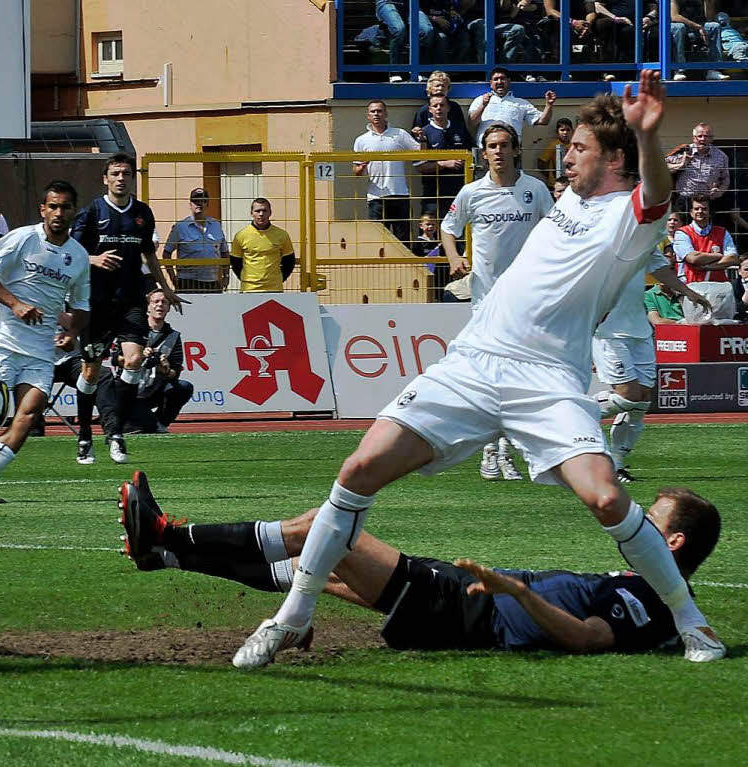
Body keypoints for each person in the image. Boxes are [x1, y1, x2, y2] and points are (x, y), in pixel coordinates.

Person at [230, 71, 725, 669]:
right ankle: (293, 616)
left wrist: (647, 135)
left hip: (546, 377)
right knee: (359, 468)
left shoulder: (629, 216)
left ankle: (692, 624)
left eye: (580, 149)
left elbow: (656, 194)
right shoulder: (566, 194)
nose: (565, 156)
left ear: (615, 159)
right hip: (473, 361)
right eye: (567, 148)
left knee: (604, 497)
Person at [120, 472, 721, 656]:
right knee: (318, 562)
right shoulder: (660, 596)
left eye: (652, 518)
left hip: (470, 612)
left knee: (331, 531)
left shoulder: (656, 606)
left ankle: (170, 531)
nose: (637, 519)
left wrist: (517, 591)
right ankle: (168, 555)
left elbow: (590, 639)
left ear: (672, 546)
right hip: (471, 600)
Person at [440, 123, 554, 482]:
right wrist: (453, 257)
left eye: (504, 145)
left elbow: (555, 232)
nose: (498, 151)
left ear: (515, 149)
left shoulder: (534, 190)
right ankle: (493, 451)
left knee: (520, 380)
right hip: (487, 302)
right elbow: (448, 228)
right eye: (492, 146)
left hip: (527, 301)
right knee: (493, 379)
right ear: (483, 152)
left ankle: (503, 450)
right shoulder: (472, 193)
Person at [0, 180, 90, 503]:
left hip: (40, 349)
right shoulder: (22, 238)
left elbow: (82, 306)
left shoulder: (78, 257)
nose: (58, 213)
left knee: (29, 414)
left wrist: (72, 334)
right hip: (3, 340)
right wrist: (14, 303)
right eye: (53, 206)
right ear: (43, 210)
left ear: (74, 211)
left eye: (65, 207)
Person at [70, 153, 184, 466]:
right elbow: (71, 250)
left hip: (131, 301)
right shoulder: (93, 212)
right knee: (91, 372)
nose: (121, 178)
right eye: (116, 173)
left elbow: (149, 254)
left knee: (134, 360)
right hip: (96, 303)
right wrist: (93, 260)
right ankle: (83, 435)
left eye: (126, 173)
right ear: (105, 179)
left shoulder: (143, 213)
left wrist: (165, 288)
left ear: (133, 178)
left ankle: (116, 431)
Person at [593, 248, 710, 481]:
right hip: (609, 331)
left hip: (639, 330)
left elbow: (660, 270)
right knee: (628, 396)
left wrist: (688, 292)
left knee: (642, 401)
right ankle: (573, 412)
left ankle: (616, 465)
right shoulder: (603, 239)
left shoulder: (646, 239)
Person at [120, 289, 194, 434]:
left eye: (164, 302)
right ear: (147, 307)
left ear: (168, 308)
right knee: (140, 429)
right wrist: (138, 356)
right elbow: (117, 359)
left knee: (184, 387)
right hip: (130, 389)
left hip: (155, 389)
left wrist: (166, 370)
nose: (160, 305)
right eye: (155, 302)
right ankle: (145, 422)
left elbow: (176, 371)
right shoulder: (132, 329)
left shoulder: (174, 336)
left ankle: (161, 422)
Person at [352, 100, 422, 245]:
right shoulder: (361, 140)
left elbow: (420, 153)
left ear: (386, 113)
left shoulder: (399, 134)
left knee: (403, 241)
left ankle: (403, 268)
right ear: (368, 116)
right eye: (373, 111)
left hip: (399, 194)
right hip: (375, 197)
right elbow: (356, 170)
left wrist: (422, 138)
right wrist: (361, 167)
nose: (376, 114)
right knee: (378, 242)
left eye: (379, 111)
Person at [415, 93, 474, 219]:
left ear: (448, 108)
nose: (438, 108)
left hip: (459, 190)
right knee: (433, 232)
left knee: (460, 232)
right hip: (433, 193)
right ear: (430, 110)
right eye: (435, 106)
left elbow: (473, 154)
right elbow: (420, 167)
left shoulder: (460, 129)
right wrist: (445, 163)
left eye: (442, 105)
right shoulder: (424, 133)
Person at [162, 187, 229, 294]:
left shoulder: (216, 225)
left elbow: (224, 252)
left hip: (212, 281)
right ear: (190, 204)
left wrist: (226, 276)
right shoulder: (180, 227)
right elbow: (166, 253)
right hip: (187, 281)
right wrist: (172, 277)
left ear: (207, 204)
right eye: (195, 201)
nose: (199, 204)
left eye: (203, 201)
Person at [467, 68, 556, 146]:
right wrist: (483, 105)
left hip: (511, 151)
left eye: (503, 79)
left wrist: (549, 105)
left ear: (509, 81)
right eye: (496, 79)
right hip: (485, 150)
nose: (499, 82)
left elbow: (543, 121)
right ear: (491, 83)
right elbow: (471, 122)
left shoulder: (521, 103)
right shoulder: (480, 100)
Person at [230, 198, 296, 293]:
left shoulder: (282, 235)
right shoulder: (241, 236)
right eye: (257, 211)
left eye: (264, 211)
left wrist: (279, 279)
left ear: (270, 212)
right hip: (249, 289)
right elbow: (235, 262)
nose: (261, 214)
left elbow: (289, 261)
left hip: (274, 288)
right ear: (251, 213)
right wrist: (246, 279)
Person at [665, 123, 730, 218]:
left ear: (712, 139)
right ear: (694, 138)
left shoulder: (721, 157)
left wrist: (719, 191)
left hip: (708, 202)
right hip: (685, 201)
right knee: (683, 230)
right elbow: (662, 168)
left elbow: (725, 180)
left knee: (707, 231)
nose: (702, 139)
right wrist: (681, 165)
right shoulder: (684, 152)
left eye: (706, 136)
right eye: (699, 136)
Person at [673, 195, 740, 283]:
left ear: (709, 212)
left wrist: (707, 267)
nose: (700, 211)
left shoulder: (722, 232)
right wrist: (718, 256)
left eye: (704, 209)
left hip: (719, 286)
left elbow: (733, 258)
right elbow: (693, 258)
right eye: (696, 209)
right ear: (691, 212)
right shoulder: (681, 233)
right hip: (691, 286)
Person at [669, 0, 729, 81]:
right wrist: (697, 26)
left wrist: (708, 2)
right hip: (678, 27)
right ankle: (679, 70)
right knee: (679, 27)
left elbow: (709, 18)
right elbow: (674, 16)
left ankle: (714, 69)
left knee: (714, 26)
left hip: (696, 28)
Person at [537, 118, 574, 185]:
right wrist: (550, 176)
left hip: (571, 182)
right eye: (562, 130)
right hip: (555, 183)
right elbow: (541, 162)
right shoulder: (553, 145)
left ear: (572, 131)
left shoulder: (574, 145)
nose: (565, 133)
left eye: (568, 130)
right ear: (557, 132)